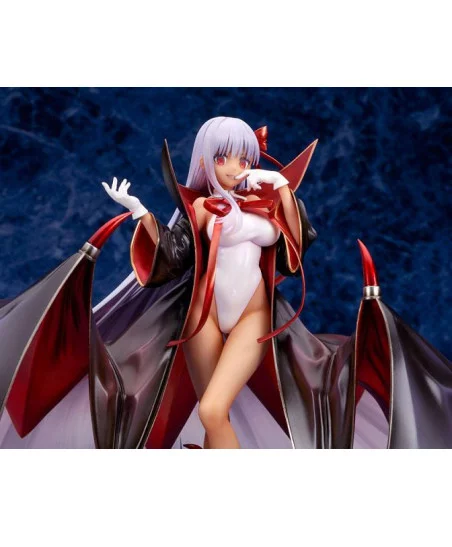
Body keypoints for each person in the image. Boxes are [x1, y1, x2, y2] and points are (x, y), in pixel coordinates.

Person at [0, 117, 451, 449]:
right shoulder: (199, 208)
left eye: (243, 158)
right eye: (222, 158)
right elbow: (172, 258)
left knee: (213, 409)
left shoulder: (266, 203)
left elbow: (293, 251)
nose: (234, 167)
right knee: (210, 414)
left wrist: (280, 186)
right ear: (205, 161)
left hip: (253, 317)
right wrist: (141, 213)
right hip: (203, 318)